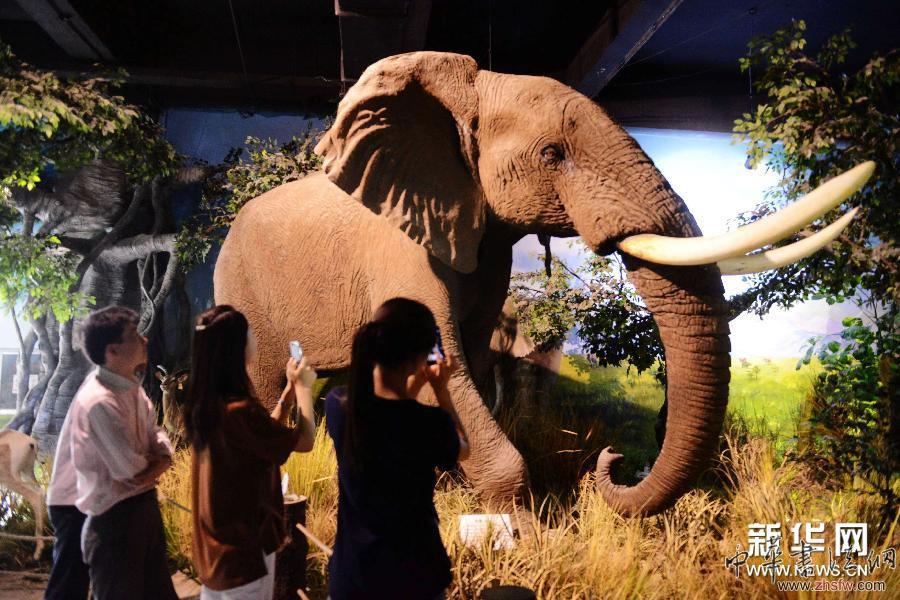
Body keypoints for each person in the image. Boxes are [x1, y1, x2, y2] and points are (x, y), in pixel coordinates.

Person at [325, 298, 470, 600]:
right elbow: (462, 449)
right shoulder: (428, 422)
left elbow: (389, 412)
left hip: (354, 578)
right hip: (414, 578)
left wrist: (414, 380)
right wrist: (441, 390)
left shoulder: (339, 407)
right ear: (418, 358)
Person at [184, 305, 317, 599]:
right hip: (244, 556)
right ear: (236, 347)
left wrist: (288, 392)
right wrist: (307, 389)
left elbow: (258, 435)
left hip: (213, 555)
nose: (254, 337)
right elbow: (306, 441)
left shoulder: (205, 406)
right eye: (249, 332)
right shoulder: (240, 410)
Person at [65, 306, 177, 599]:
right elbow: (133, 471)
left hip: (143, 513)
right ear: (113, 351)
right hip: (114, 526)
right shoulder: (99, 402)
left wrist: (160, 458)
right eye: (134, 336)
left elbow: (158, 436)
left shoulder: (132, 389)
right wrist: (158, 461)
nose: (145, 340)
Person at [45, 384, 91, 600]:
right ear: (112, 350)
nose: (144, 349)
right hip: (74, 500)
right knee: (69, 584)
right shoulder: (97, 395)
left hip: (88, 499)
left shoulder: (124, 389)